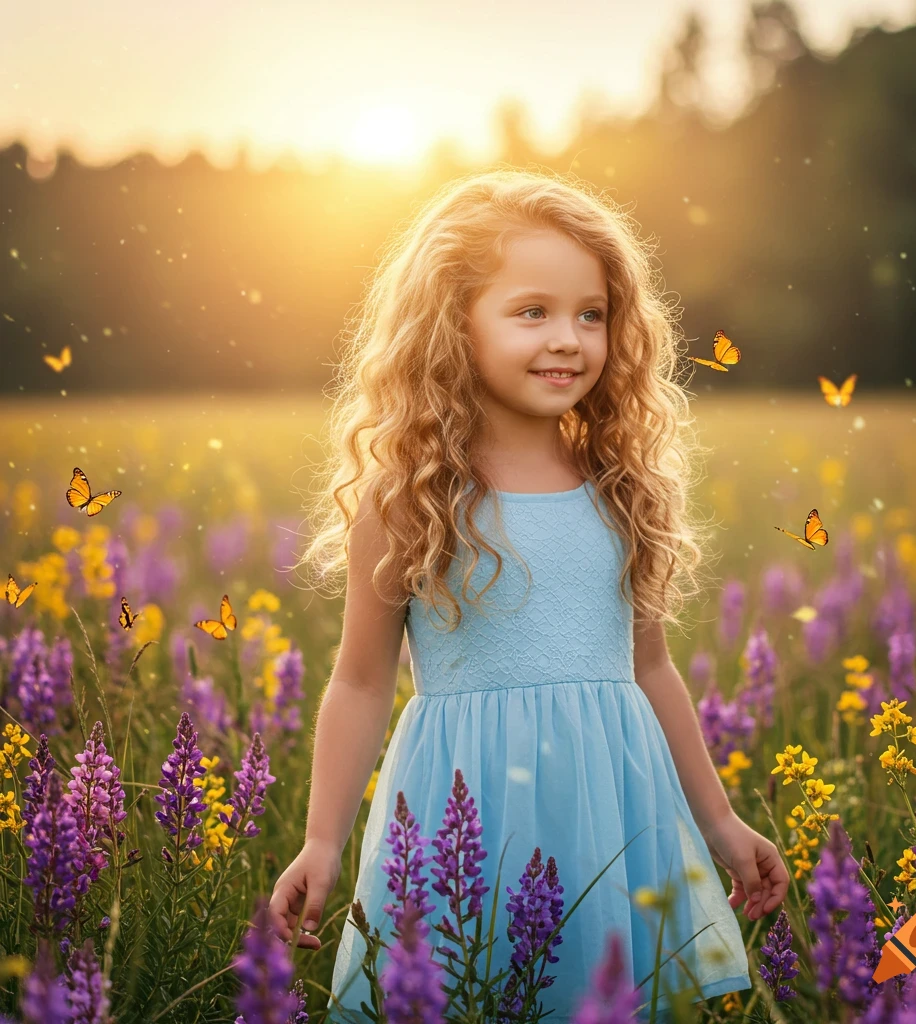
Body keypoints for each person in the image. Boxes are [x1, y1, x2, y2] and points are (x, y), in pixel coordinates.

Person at [269, 167, 787, 1021]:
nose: (569, 339)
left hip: (613, 808)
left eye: (591, 314)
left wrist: (721, 822)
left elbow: (650, 669)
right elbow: (360, 681)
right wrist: (323, 839)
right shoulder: (408, 498)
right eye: (531, 311)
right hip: (464, 808)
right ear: (451, 324)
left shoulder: (622, 485)